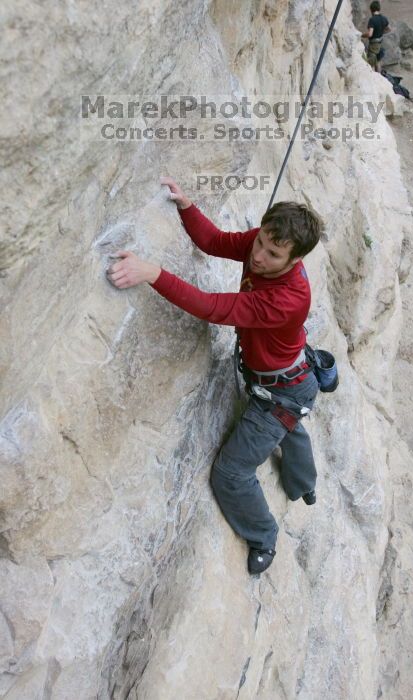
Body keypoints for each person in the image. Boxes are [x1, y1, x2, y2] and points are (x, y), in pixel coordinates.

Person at [107, 176, 323, 575]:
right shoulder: (265, 243)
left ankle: (264, 536)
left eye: (272, 254)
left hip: (283, 392)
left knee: (232, 474)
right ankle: (303, 484)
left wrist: (152, 273)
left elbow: (211, 307)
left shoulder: (286, 299)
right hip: (287, 384)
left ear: (295, 261)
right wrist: (188, 207)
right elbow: (215, 242)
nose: (258, 256)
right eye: (259, 243)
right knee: (290, 426)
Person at [362, 1, 391, 73]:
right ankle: (379, 77)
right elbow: (389, 29)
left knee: (371, 62)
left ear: (371, 9)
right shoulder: (384, 18)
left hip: (373, 45)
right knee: (378, 61)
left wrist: (361, 35)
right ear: (379, 8)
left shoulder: (372, 20)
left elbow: (370, 34)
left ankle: (372, 78)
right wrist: (381, 32)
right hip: (380, 42)